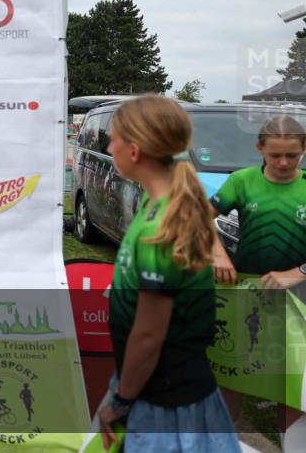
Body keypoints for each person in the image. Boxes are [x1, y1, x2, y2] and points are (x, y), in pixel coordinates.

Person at [99, 95, 239, 452]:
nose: (108, 146)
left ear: (134, 150)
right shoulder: (159, 204)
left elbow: (148, 336)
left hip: (163, 404)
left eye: (113, 138)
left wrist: (121, 400)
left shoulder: (159, 228)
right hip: (167, 390)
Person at [208, 115, 306, 421]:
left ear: (303, 149)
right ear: (259, 148)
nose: (284, 162)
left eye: (292, 155)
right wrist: (218, 255)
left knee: (291, 380)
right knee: (233, 372)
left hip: (298, 297)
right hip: (244, 292)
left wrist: (298, 273)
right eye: (275, 155)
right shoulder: (242, 180)